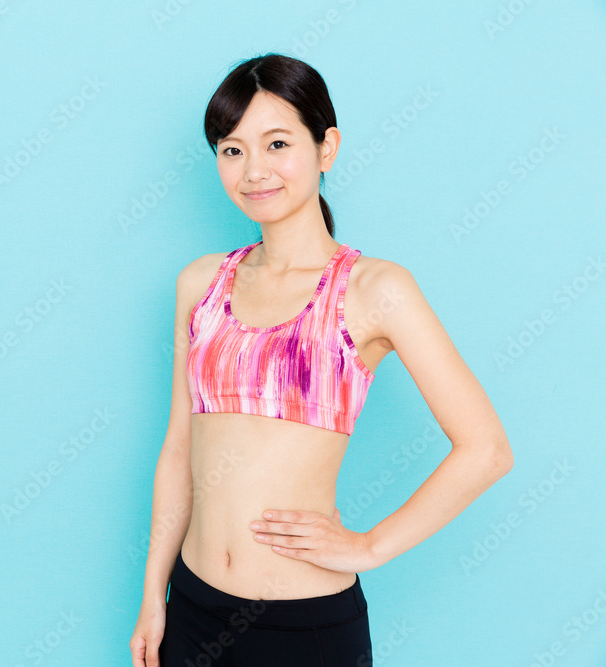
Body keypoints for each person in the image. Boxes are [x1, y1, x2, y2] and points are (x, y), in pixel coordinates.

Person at [129, 53, 513, 666]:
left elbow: (487, 449)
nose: (253, 170)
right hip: (193, 609)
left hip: (303, 628)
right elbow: (179, 450)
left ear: (325, 147)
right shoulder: (199, 283)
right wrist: (154, 594)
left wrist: (370, 546)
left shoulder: (375, 289)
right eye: (231, 150)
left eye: (276, 143)